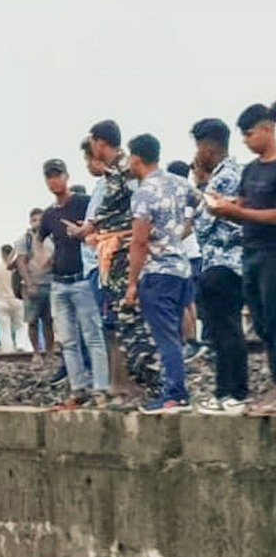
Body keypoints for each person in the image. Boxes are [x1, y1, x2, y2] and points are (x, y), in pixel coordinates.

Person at [72, 120, 161, 400]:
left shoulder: (128, 169)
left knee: (134, 321)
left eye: (92, 143)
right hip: (115, 256)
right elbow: (111, 209)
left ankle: (153, 386)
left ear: (100, 143)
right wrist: (89, 228)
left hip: (128, 253)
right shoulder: (114, 173)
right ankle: (134, 386)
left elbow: (143, 207)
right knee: (123, 322)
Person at [210, 103, 276, 415]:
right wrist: (225, 207)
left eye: (250, 134)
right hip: (249, 253)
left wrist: (237, 212)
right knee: (261, 324)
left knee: (274, 322)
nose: (246, 141)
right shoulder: (250, 170)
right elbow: (245, 206)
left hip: (272, 253)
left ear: (267, 129)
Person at [125, 134, 197, 413]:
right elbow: (202, 203)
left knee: (165, 337)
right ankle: (177, 392)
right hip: (181, 269)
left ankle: (174, 395)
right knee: (176, 335)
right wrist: (183, 229)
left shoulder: (143, 192)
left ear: (136, 158)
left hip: (157, 273)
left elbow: (139, 241)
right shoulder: (178, 183)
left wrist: (132, 283)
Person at [188, 118, 248, 414]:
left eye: (198, 147)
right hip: (230, 264)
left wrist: (200, 186)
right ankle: (228, 392)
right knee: (225, 330)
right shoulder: (231, 174)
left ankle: (232, 393)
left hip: (223, 264)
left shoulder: (224, 177)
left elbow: (203, 225)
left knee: (225, 330)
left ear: (207, 147)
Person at [39, 159, 110, 408]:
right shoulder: (49, 214)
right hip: (59, 283)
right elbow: (39, 238)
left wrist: (86, 234)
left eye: (57, 174)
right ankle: (78, 388)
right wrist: (43, 259)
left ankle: (100, 388)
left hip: (82, 279)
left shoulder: (83, 203)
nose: (54, 180)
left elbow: (100, 223)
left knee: (93, 336)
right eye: (49, 176)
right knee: (68, 341)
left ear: (67, 176)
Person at [168, 160, 207, 363]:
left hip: (183, 253)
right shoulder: (192, 193)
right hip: (194, 253)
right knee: (189, 299)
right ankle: (194, 340)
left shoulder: (179, 196)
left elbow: (187, 226)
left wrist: (169, 240)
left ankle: (189, 341)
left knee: (182, 300)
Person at [15, 210, 60, 377]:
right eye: (34, 219)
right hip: (33, 285)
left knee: (48, 320)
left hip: (50, 283)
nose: (37, 222)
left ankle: (49, 353)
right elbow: (21, 263)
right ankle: (36, 353)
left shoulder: (52, 238)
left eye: (40, 219)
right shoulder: (24, 240)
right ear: (30, 221)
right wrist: (29, 283)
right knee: (32, 321)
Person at [0, 244, 30, 352]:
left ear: (2, 254)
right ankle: (20, 345)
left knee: (4, 329)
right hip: (17, 299)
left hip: (1, 301)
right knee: (20, 326)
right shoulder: (18, 267)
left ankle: (7, 350)